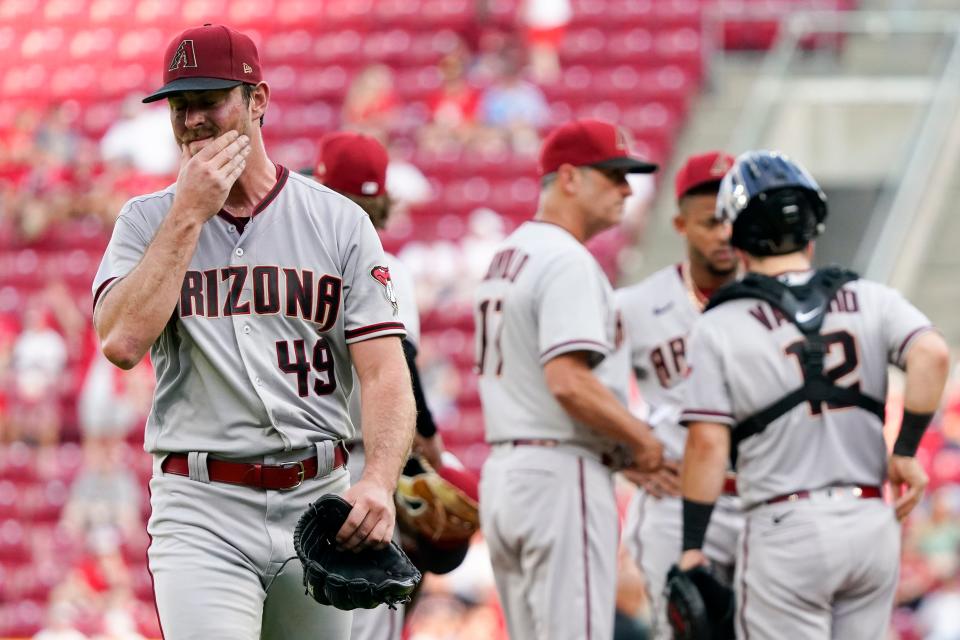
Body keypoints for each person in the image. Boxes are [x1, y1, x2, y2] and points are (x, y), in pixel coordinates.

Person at [91, 24, 416, 640]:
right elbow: (121, 343)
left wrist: (377, 481)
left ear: (257, 100)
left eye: (209, 100)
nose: (191, 121)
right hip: (202, 507)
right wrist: (187, 215)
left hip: (316, 499)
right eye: (180, 106)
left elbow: (383, 370)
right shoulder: (145, 222)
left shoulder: (337, 222)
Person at [677, 150, 951, 639]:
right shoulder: (870, 296)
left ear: (738, 233)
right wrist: (905, 451)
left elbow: (707, 445)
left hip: (785, 524)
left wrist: (692, 544)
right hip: (869, 518)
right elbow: (932, 354)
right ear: (812, 222)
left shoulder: (720, 323)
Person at [475, 119, 664, 640]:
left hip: (507, 473)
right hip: (560, 474)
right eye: (614, 174)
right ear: (571, 178)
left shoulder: (507, 255)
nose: (628, 188)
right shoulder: (567, 260)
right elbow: (568, 383)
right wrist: (642, 441)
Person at [311, 130, 445, 640]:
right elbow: (401, 367)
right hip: (367, 466)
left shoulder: (289, 268)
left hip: (299, 464)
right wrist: (428, 445)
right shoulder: (385, 267)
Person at [617, 151, 744, 639]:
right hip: (675, 499)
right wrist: (623, 455)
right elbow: (573, 383)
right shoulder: (637, 304)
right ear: (680, 224)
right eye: (710, 222)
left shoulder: (773, 299)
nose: (725, 234)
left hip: (763, 498)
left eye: (733, 219)